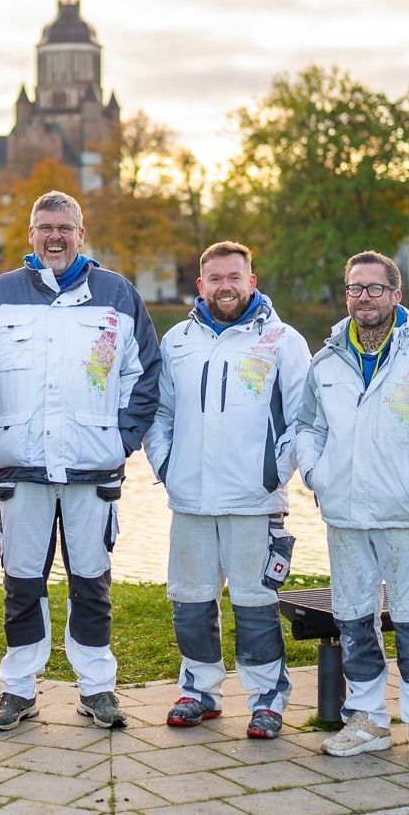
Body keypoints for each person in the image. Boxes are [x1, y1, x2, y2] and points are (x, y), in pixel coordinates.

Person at [0, 190, 161, 731]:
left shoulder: (117, 295)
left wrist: (119, 440)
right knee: (21, 581)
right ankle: (18, 688)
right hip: (19, 469)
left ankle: (96, 688)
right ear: (30, 234)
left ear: (81, 233)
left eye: (65, 228)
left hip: (92, 470)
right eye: (45, 227)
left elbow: (143, 376)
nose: (55, 237)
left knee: (91, 581)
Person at [296, 251, 409, 768]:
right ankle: (368, 720)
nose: (364, 298)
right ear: (346, 294)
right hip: (345, 517)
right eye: (355, 288)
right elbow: (308, 428)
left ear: (396, 296)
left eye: (376, 289)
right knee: (353, 619)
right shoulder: (326, 360)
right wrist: (317, 476)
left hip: (404, 516)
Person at [143, 241, 311, 739]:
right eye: (215, 279)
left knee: (256, 603)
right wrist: (168, 466)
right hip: (190, 499)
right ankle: (199, 691)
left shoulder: (282, 341)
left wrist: (273, 474)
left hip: (254, 501)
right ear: (201, 285)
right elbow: (159, 413)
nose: (225, 287)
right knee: (190, 601)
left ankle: (266, 698)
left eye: (235, 277)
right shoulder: (177, 341)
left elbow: (304, 417)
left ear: (251, 281)